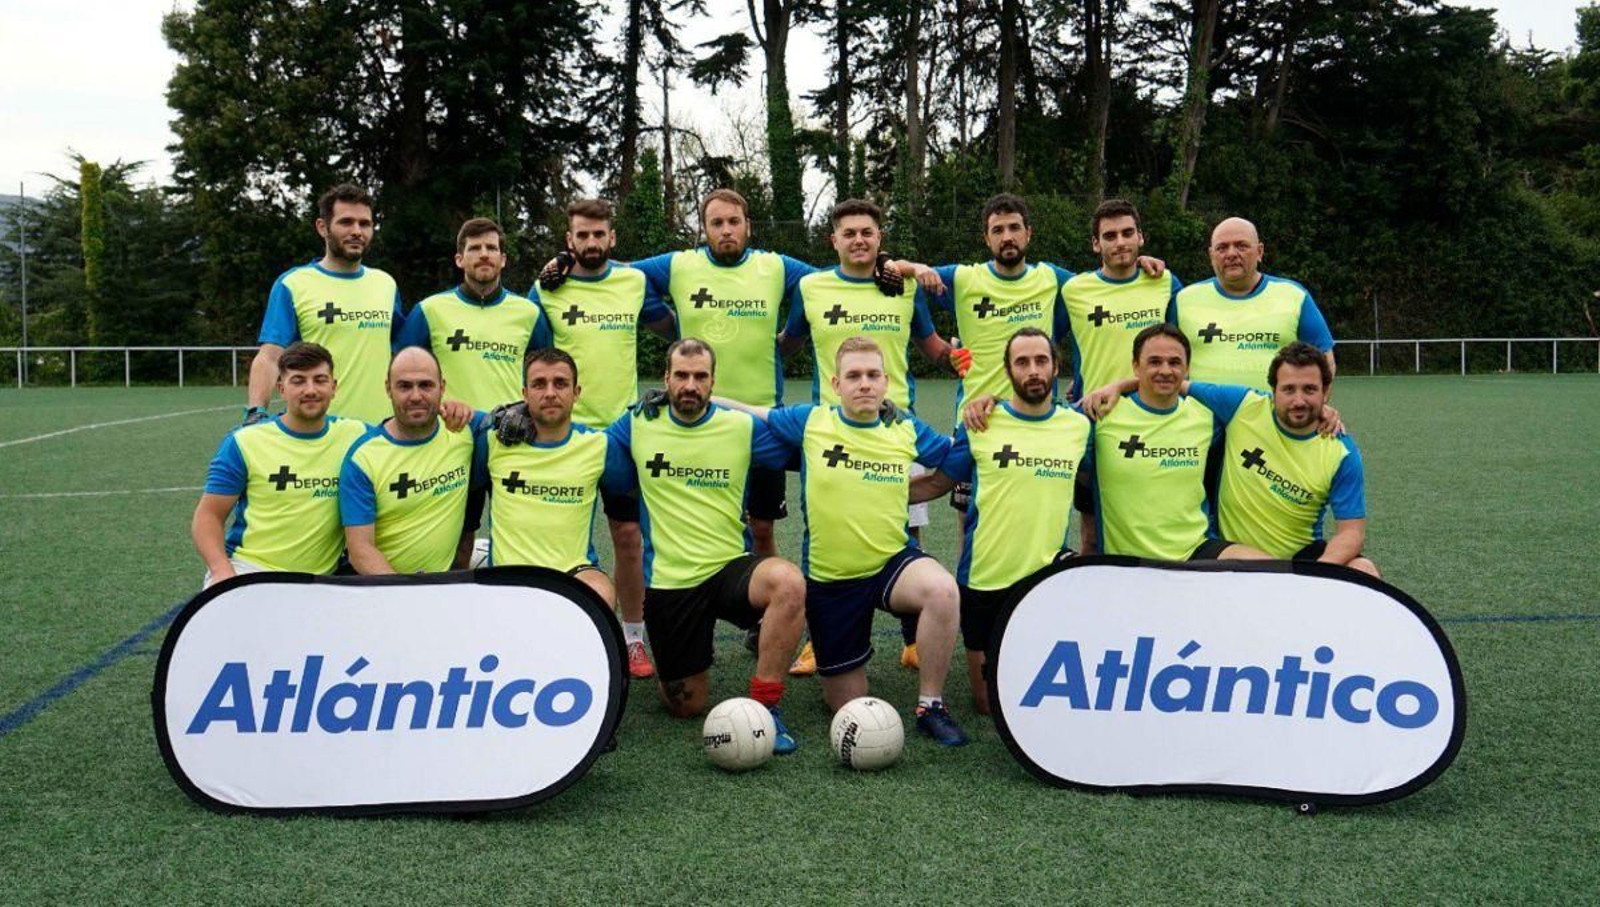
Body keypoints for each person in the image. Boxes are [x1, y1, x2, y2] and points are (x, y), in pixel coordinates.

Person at [719, 336, 970, 747]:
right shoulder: (812, 420)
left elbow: (953, 459)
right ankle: (838, 678)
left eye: (873, 375)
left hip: (892, 562)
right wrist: (697, 398)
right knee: (848, 705)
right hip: (832, 581)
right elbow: (752, 414)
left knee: (942, 590)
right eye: (854, 376)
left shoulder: (904, 427)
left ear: (886, 382)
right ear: (836, 384)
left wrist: (979, 416)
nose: (865, 384)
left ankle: (932, 706)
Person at [779, 198, 961, 674]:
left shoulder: (902, 286)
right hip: (830, 432)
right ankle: (819, 641)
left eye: (867, 232)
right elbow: (787, 343)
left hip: (897, 430)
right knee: (820, 530)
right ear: (833, 240)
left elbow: (931, 344)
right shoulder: (811, 286)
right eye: (849, 233)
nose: (859, 239)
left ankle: (911, 640)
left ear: (880, 238)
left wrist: (958, 357)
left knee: (906, 527)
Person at [603, 339, 808, 750]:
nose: (690, 385)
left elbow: (811, 440)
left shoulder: (739, 427)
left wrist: (867, 417)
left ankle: (766, 708)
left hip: (729, 568)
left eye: (700, 377)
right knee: (686, 704)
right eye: (681, 376)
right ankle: (686, 655)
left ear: (713, 382)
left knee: (788, 582)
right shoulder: (637, 424)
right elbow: (581, 447)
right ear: (665, 379)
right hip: (671, 582)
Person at [529, 198, 676, 678]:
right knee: (555, 541)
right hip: (562, 435)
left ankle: (632, 640)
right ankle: (550, 634)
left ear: (612, 238)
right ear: (568, 240)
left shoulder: (633, 282)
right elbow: (530, 355)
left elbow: (673, 327)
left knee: (628, 538)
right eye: (581, 236)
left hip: (620, 435)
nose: (591, 243)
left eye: (599, 235)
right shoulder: (546, 288)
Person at [910, 328, 1093, 714]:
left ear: (1056, 367)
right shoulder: (981, 426)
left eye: (1041, 361)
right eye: (1022, 362)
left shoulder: (1078, 427)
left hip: (1046, 580)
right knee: (987, 705)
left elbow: (1101, 483)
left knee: (1040, 702)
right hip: (984, 578)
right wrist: (870, 492)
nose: (1033, 371)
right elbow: (937, 483)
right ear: (1008, 371)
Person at [628, 189, 815, 558]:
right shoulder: (681, 265)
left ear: (748, 226)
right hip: (700, 417)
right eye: (717, 223)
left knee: (761, 526)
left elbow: (825, 284)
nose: (726, 230)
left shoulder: (774, 267)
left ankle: (763, 608)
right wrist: (671, 327)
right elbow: (623, 276)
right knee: (707, 519)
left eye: (734, 222)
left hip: (762, 417)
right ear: (704, 229)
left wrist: (792, 335)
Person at [1084, 341, 1376, 575]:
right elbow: (1167, 383)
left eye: (1309, 390)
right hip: (1229, 549)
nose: (1298, 400)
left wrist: (1316, 575)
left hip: (1299, 557)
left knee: (1364, 570)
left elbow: (1351, 534)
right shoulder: (1243, 405)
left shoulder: (1341, 453)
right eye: (1288, 389)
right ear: (1272, 391)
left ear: (1327, 392)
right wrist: (1118, 387)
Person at [1073, 324, 1269, 562]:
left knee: (1269, 570)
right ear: (1135, 366)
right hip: (1128, 562)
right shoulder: (1103, 415)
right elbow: (1045, 426)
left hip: (1195, 550)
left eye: (1174, 363)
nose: (1165, 370)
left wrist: (1323, 412)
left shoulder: (1207, 417)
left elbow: (1275, 407)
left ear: (1187, 368)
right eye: (1154, 362)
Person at [193, 342, 370, 586]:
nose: (310, 390)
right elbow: (208, 516)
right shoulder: (245, 442)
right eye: (298, 381)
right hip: (249, 571)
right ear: (281, 388)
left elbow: (404, 437)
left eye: (319, 380)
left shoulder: (357, 435)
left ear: (333, 387)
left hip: (319, 581)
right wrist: (221, 571)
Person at [473, 347, 633, 606]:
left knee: (600, 594)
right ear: (524, 394)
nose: (550, 393)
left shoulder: (601, 446)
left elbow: (628, 522)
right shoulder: (492, 440)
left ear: (576, 392)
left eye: (560, 384)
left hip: (573, 574)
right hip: (507, 576)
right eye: (539, 384)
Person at [247, 184, 405, 425]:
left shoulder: (385, 284)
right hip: (320, 433)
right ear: (323, 227)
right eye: (346, 222)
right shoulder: (293, 284)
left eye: (364, 224)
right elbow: (269, 358)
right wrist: (255, 412)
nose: (356, 231)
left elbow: (400, 352)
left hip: (380, 432)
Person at [339, 347, 488, 574]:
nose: (416, 396)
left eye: (426, 385)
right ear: (388, 389)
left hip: (446, 582)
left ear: (442, 387)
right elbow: (360, 549)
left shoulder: (465, 431)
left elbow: (512, 419)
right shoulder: (363, 458)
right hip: (388, 589)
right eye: (404, 386)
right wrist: (404, 595)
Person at [398, 218, 552, 411]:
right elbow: (401, 375)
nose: (484, 254)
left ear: (503, 259)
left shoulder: (530, 313)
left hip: (510, 434)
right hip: (451, 433)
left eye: (491, 248)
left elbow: (546, 376)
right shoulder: (429, 310)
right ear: (459, 259)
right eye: (474, 248)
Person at [1172, 217, 1335, 391]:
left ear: (1259, 252)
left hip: (1273, 418)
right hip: (1202, 418)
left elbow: (1325, 362)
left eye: (1241, 246)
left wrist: (1316, 409)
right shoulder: (1184, 299)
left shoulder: (1293, 295)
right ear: (1211, 255)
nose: (1231, 254)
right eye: (1222, 247)